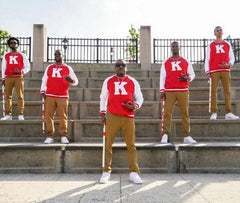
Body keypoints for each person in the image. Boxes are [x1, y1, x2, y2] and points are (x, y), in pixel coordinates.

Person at [99, 59, 144, 184]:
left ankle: (134, 172)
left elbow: (140, 97)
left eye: (123, 65)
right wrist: (103, 112)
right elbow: (103, 97)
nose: (120, 67)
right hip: (113, 115)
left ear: (126, 68)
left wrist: (135, 106)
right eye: (118, 65)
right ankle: (106, 171)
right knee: (108, 144)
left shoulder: (132, 81)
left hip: (128, 116)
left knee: (131, 145)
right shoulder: (108, 80)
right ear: (115, 68)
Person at [160, 41, 197, 144]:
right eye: (173, 46)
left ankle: (187, 136)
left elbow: (192, 74)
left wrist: (187, 78)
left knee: (185, 113)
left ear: (179, 48)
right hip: (169, 90)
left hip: (183, 90)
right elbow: (162, 77)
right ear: (171, 48)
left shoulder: (186, 61)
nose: (175, 48)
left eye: (177, 46)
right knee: (167, 113)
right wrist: (162, 90)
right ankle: (165, 134)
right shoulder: (166, 62)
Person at [40, 50, 78, 144]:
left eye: (59, 54)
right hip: (50, 94)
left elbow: (76, 81)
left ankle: (63, 136)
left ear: (63, 55)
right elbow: (44, 79)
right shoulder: (49, 67)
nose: (57, 55)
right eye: (55, 54)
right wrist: (42, 90)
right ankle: (49, 136)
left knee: (63, 116)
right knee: (49, 116)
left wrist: (71, 80)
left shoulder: (67, 67)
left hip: (62, 95)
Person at [205, 26, 239, 120]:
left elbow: (232, 58)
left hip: (225, 70)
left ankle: (228, 112)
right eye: (217, 30)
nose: (219, 32)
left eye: (220, 30)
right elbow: (207, 59)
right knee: (213, 92)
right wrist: (207, 71)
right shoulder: (210, 45)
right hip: (214, 70)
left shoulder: (227, 44)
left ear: (222, 32)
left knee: (227, 91)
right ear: (214, 33)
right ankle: (214, 112)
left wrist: (228, 64)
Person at [1, 37, 30, 120]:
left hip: (18, 77)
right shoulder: (6, 55)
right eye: (11, 43)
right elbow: (3, 67)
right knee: (8, 96)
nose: (13, 44)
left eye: (15, 43)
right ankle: (8, 115)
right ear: (9, 45)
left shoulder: (22, 55)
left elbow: (27, 67)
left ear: (18, 44)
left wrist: (21, 72)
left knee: (20, 96)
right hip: (8, 77)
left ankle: (20, 114)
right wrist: (3, 79)